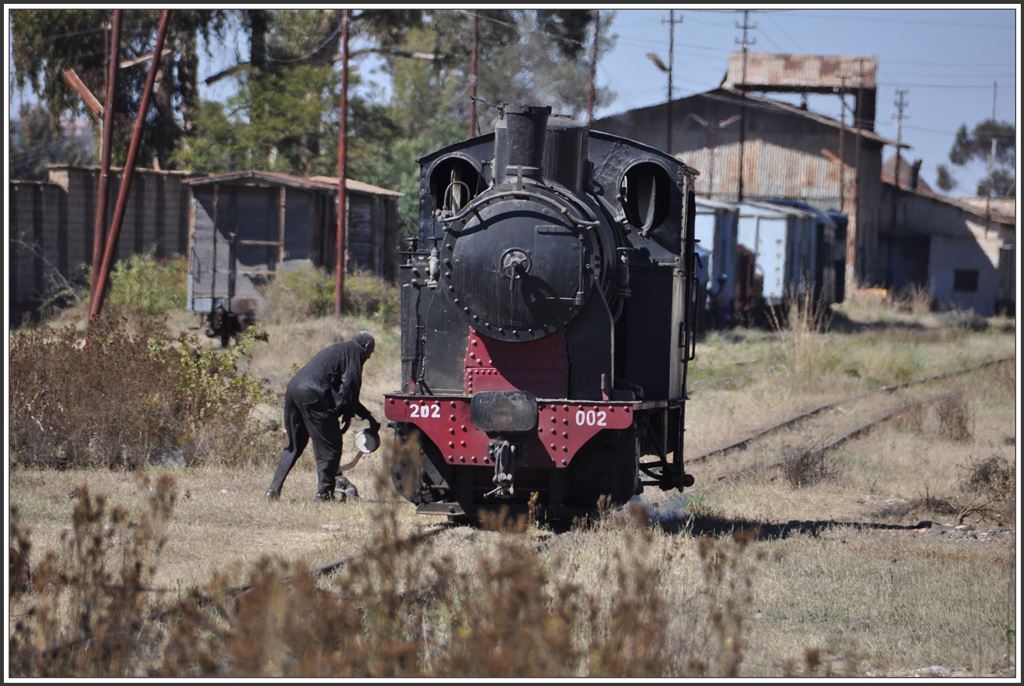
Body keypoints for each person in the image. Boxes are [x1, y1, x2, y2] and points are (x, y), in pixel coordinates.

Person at [265, 331, 380, 501]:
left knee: (294, 446)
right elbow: (350, 388)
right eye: (370, 353)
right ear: (367, 347)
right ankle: (324, 494)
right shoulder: (355, 353)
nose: (368, 357)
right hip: (314, 393)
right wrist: (358, 415)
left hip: (294, 389)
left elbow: (344, 394)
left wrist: (362, 415)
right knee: (331, 446)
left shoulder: (339, 350)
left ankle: (273, 490)